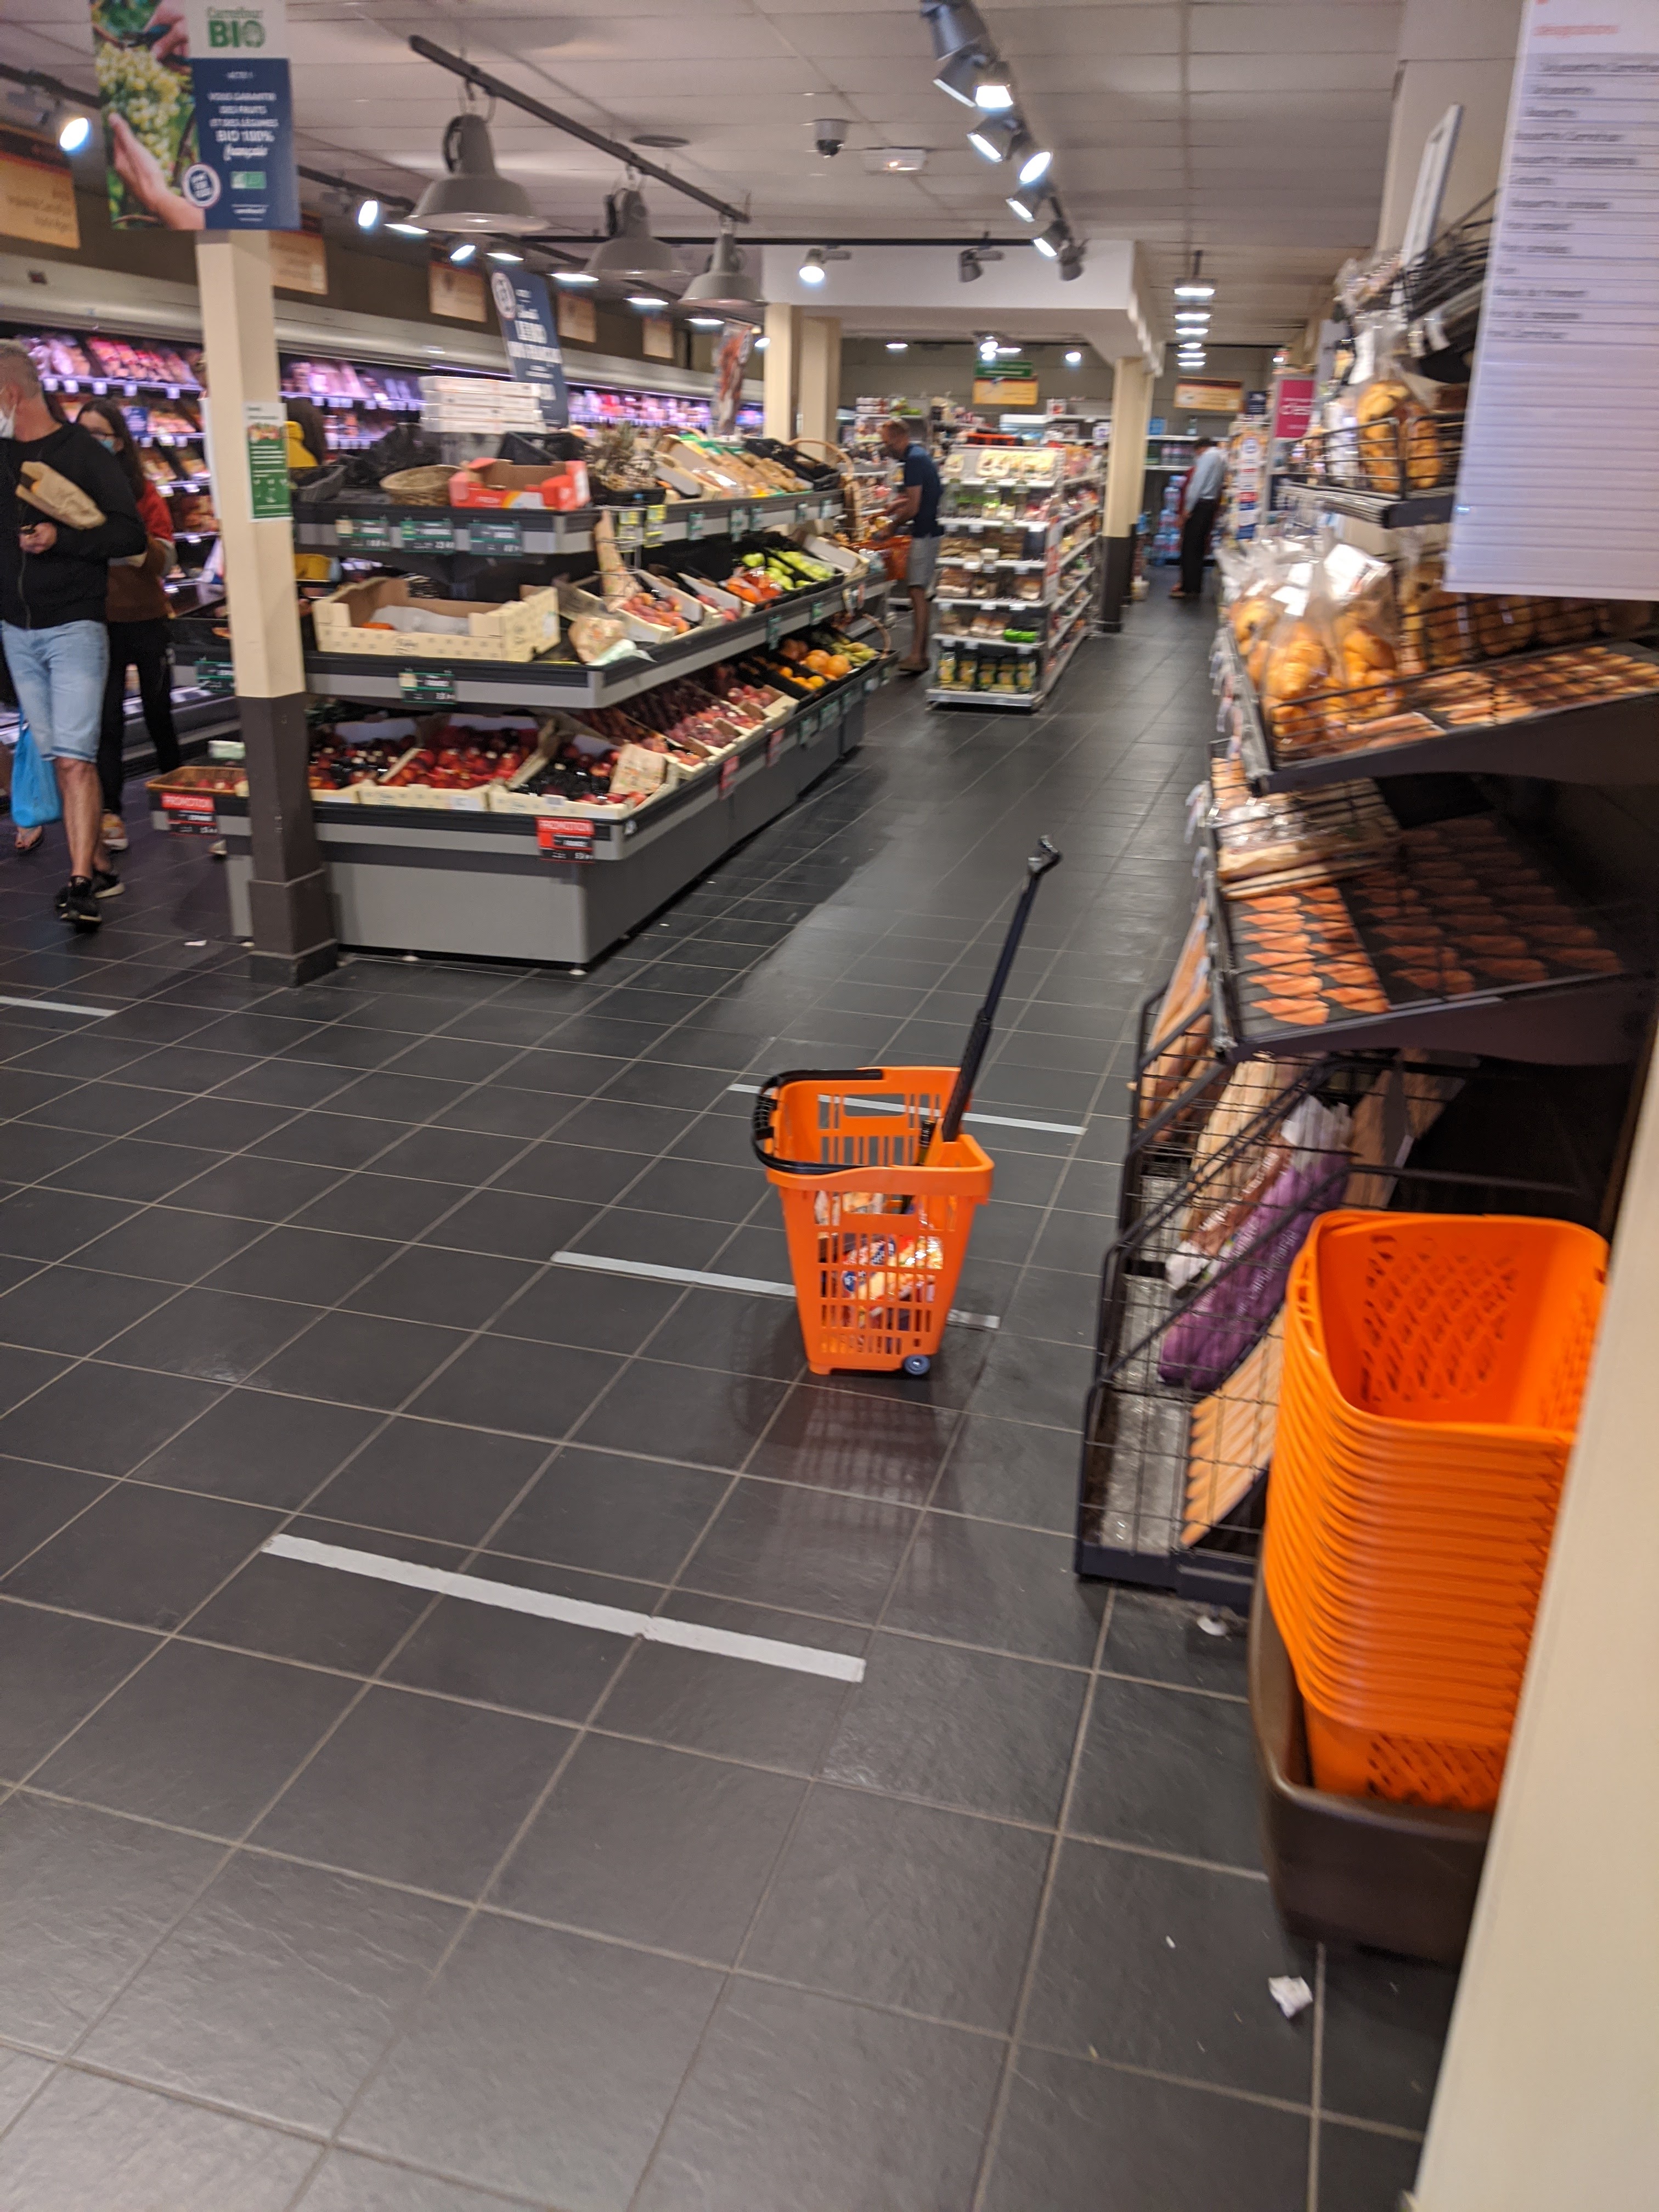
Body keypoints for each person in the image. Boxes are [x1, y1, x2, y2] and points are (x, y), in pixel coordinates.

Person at [0, 342, 145, 929]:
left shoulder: (82, 453)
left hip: (75, 626)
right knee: (56, 755)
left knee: (74, 758)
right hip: (16, 629)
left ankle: (80, 882)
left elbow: (129, 535)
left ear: (9, 394)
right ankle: (100, 861)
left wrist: (62, 539)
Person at [78, 398, 178, 857]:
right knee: (109, 722)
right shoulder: (68, 489)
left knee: (159, 713)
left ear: (118, 441)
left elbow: (165, 558)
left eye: (98, 434)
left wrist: (123, 542)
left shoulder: (142, 491)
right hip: (96, 621)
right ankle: (110, 812)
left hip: (147, 617)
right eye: (82, 432)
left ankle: (178, 795)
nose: (90, 442)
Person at [881, 415, 943, 674]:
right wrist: (899, 503)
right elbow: (922, 495)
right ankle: (921, 654)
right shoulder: (918, 456)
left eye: (889, 443)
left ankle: (918, 655)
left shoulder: (914, 461)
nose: (887, 449)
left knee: (917, 593)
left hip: (924, 533)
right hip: (929, 530)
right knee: (919, 593)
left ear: (901, 438)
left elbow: (915, 507)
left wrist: (892, 526)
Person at [1171, 436, 1227, 601]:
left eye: (1196, 453)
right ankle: (1195, 587)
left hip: (1199, 506)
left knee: (1189, 548)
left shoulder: (1207, 457)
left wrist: (1187, 510)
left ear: (1200, 449)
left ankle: (1188, 588)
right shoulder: (1221, 457)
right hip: (1210, 506)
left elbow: (1196, 485)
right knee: (1199, 548)